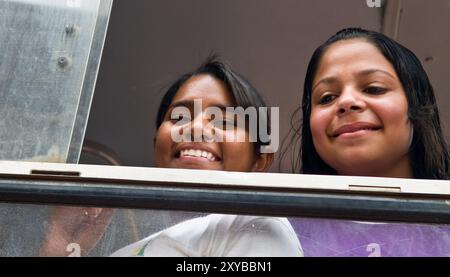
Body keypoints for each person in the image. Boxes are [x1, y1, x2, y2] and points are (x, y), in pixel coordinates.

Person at [111, 56, 303, 256]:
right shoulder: (124, 242)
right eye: (178, 117)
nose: (195, 127)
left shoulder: (257, 227)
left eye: (225, 121)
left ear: (260, 161)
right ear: (156, 144)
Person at [288, 27, 450, 256]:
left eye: (373, 88)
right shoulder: (277, 228)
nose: (346, 102)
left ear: (418, 108)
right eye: (327, 97)